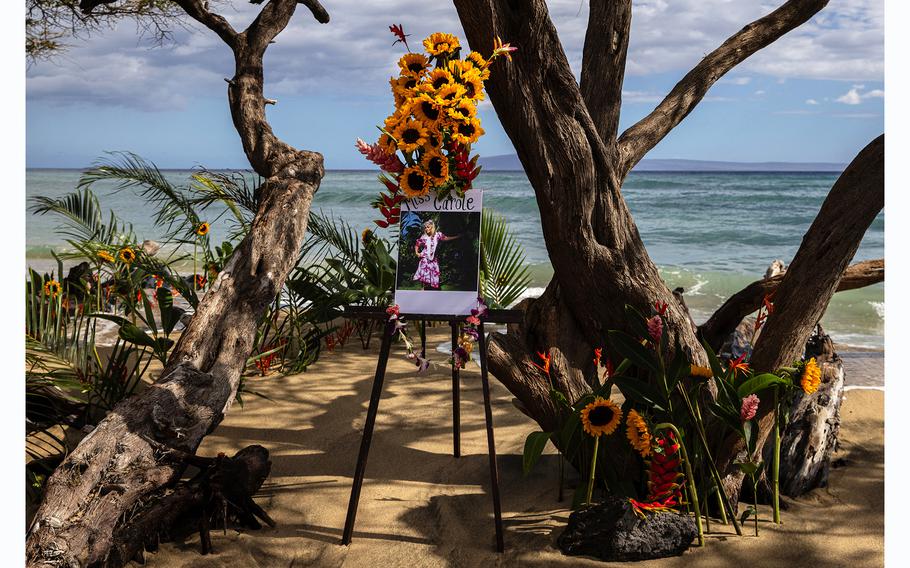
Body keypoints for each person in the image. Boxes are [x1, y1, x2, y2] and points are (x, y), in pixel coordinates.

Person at [413, 220, 459, 290]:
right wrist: (417, 253)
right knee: (425, 274)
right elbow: (417, 245)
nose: (426, 229)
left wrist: (457, 237)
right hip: (425, 258)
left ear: (432, 227)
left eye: (428, 227)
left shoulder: (438, 235)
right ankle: (424, 289)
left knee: (434, 275)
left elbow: (446, 238)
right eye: (425, 227)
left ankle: (428, 289)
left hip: (433, 259)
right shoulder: (424, 237)